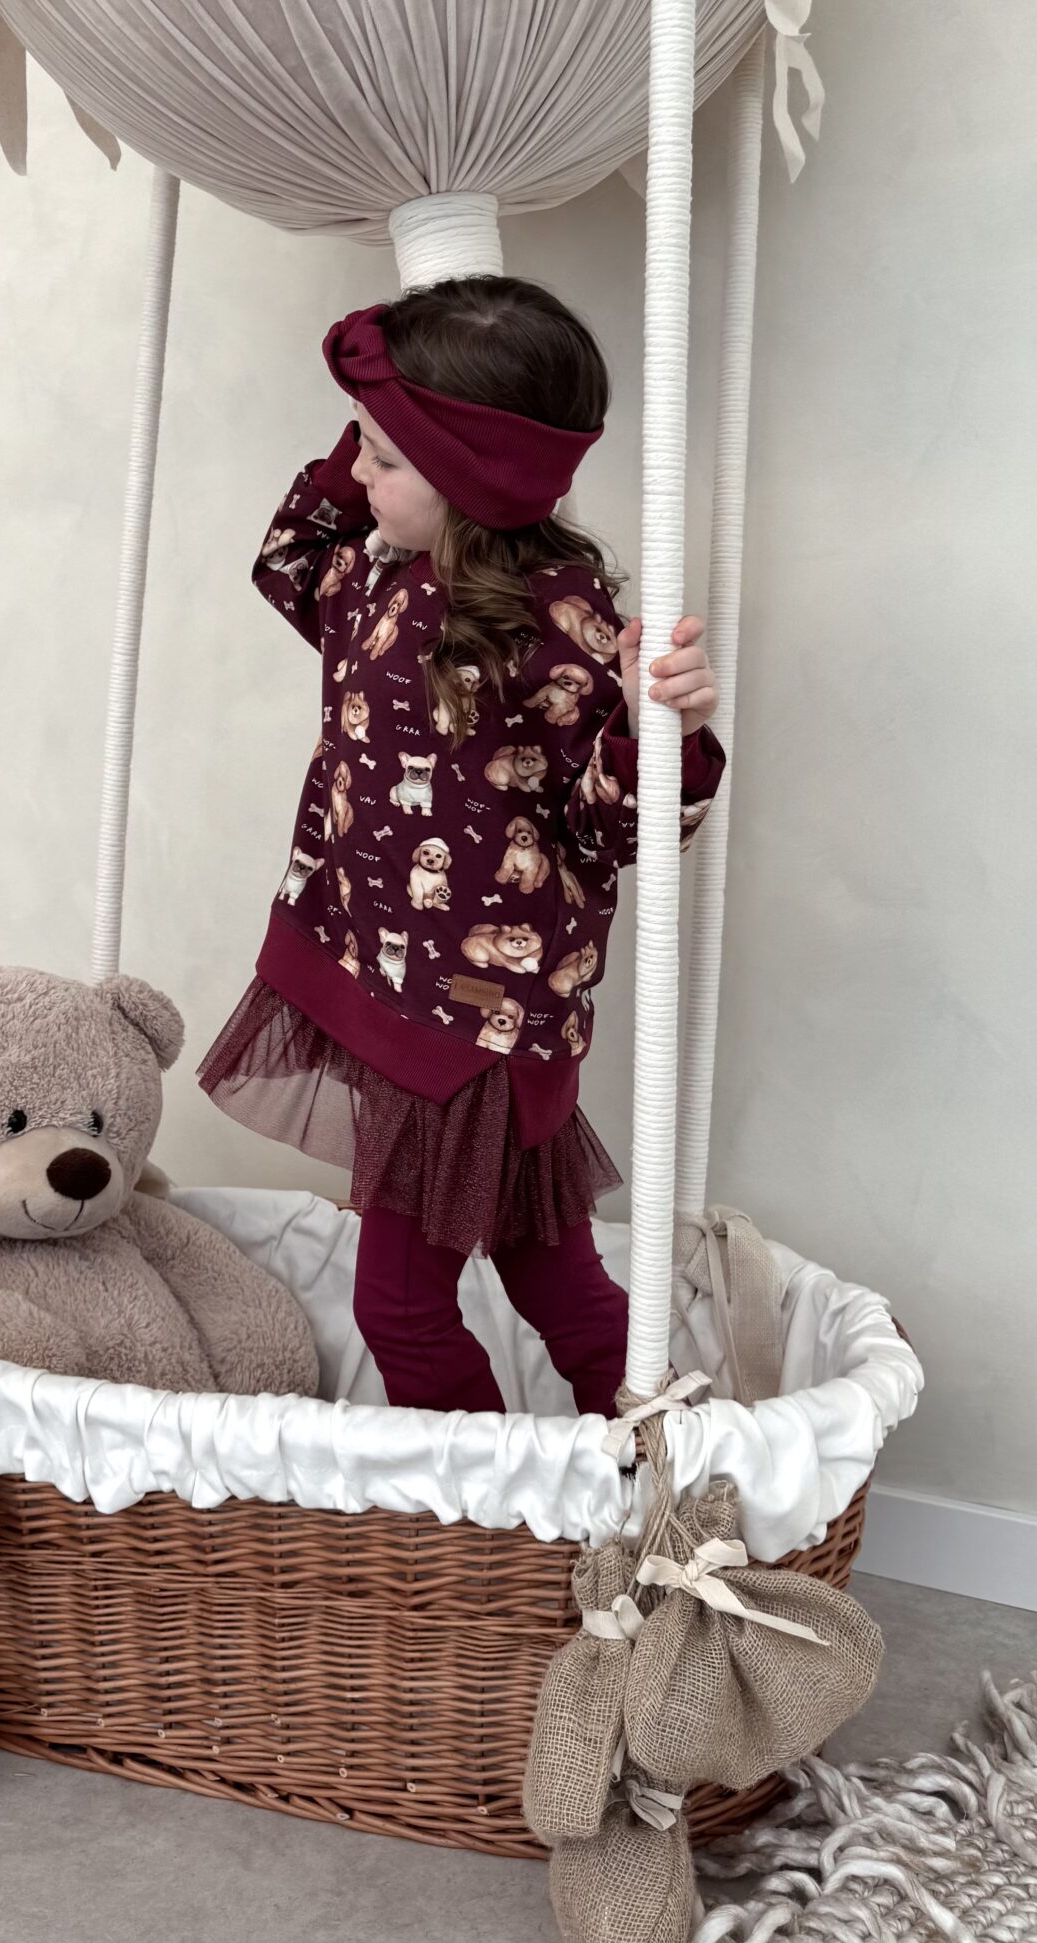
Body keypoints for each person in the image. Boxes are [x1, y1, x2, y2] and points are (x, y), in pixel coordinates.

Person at [198, 276, 725, 1415]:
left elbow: (611, 830)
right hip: (390, 976)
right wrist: (377, 429)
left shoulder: (558, 629)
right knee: (554, 1276)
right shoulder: (369, 572)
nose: (357, 471)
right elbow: (286, 559)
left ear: (475, 479)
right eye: (361, 444)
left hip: (473, 1022)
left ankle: (500, 1498)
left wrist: (663, 729)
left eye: (385, 456)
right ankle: (672, 1465)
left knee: (401, 1308)